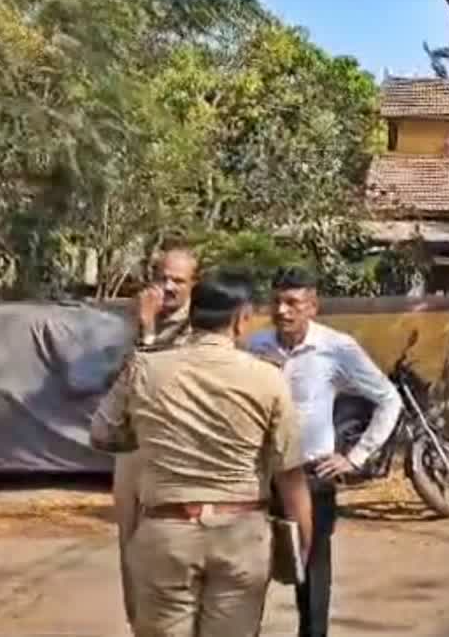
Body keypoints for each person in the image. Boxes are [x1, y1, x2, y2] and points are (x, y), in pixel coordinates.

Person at [90, 270, 314, 637]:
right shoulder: (268, 378)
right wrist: (303, 542)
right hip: (240, 536)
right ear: (242, 318)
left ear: (193, 312)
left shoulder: (145, 368)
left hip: (166, 533)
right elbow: (289, 473)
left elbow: (102, 433)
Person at [246, 267, 402, 637]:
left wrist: (355, 456)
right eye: (276, 302)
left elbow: (388, 399)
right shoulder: (255, 346)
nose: (283, 311)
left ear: (312, 306)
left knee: (312, 575)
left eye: (293, 303)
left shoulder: (337, 347)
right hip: (257, 477)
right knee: (248, 574)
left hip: (311, 477)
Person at [113, 245, 199, 628]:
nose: (168, 287)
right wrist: (141, 328)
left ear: (193, 285)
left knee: (173, 551)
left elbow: (157, 385)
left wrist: (147, 332)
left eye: (178, 280)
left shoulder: (198, 328)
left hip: (177, 455)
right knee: (130, 549)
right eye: (163, 277)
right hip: (134, 452)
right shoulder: (137, 317)